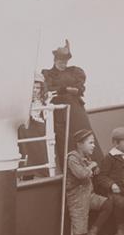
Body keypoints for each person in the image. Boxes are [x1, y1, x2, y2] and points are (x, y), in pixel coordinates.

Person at [42, 40, 103, 168]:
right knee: (64, 139)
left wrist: (73, 90)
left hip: (75, 109)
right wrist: (65, 89)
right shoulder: (48, 74)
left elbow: (80, 88)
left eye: (65, 61)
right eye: (60, 61)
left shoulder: (75, 71)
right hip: (59, 111)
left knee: (84, 134)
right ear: (55, 60)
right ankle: (71, 168)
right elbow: (49, 88)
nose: (63, 64)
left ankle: (95, 166)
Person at [66, 129, 115, 235]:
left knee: (108, 204)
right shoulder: (72, 158)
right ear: (79, 144)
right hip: (77, 199)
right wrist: (92, 166)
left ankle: (93, 231)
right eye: (90, 143)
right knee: (80, 230)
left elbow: (91, 172)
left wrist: (96, 168)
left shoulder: (85, 157)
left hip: (89, 195)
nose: (93, 145)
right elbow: (81, 174)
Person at [17, 72, 50, 180]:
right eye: (33, 88)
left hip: (39, 135)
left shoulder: (44, 103)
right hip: (27, 135)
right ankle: (27, 173)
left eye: (38, 88)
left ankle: (41, 173)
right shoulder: (23, 103)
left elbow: (46, 119)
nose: (35, 90)